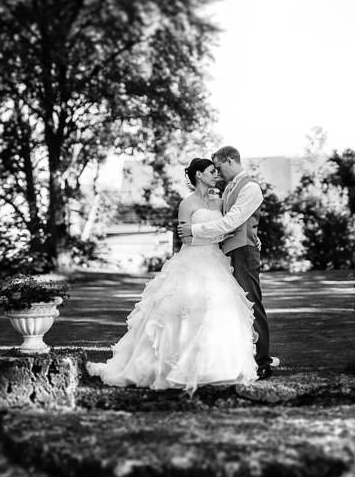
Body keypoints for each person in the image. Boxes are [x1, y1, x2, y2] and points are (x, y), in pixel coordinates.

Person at [87, 157, 258, 394]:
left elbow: (225, 228)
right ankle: (173, 368)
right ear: (199, 175)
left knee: (218, 311)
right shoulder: (186, 204)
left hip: (216, 261)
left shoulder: (219, 202)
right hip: (192, 260)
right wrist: (207, 234)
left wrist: (204, 232)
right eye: (211, 171)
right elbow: (186, 239)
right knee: (178, 311)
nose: (215, 175)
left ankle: (217, 367)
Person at [178, 145, 272, 378]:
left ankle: (262, 361)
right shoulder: (228, 189)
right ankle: (243, 356)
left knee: (251, 304)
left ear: (230, 161)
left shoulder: (250, 187)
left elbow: (232, 222)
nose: (217, 173)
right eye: (213, 170)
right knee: (236, 307)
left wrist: (195, 229)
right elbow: (238, 221)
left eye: (218, 167)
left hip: (242, 252)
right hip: (227, 253)